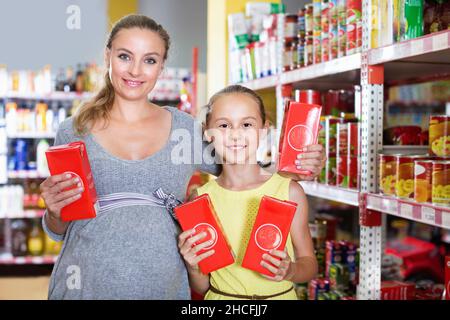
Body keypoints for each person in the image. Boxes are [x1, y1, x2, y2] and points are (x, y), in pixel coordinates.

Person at [39, 14, 325, 299]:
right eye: (125, 56)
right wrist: (54, 212)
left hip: (163, 285)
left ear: (161, 67)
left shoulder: (184, 129)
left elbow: (243, 168)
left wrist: (296, 165)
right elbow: (59, 228)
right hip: (87, 285)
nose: (136, 70)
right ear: (108, 56)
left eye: (149, 60)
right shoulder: (75, 130)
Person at [178, 85, 318, 300]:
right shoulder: (200, 200)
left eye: (247, 124)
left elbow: (309, 264)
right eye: (224, 125)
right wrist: (193, 267)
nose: (235, 134)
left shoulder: (289, 190)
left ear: (264, 129)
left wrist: (289, 270)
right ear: (208, 132)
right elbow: (202, 287)